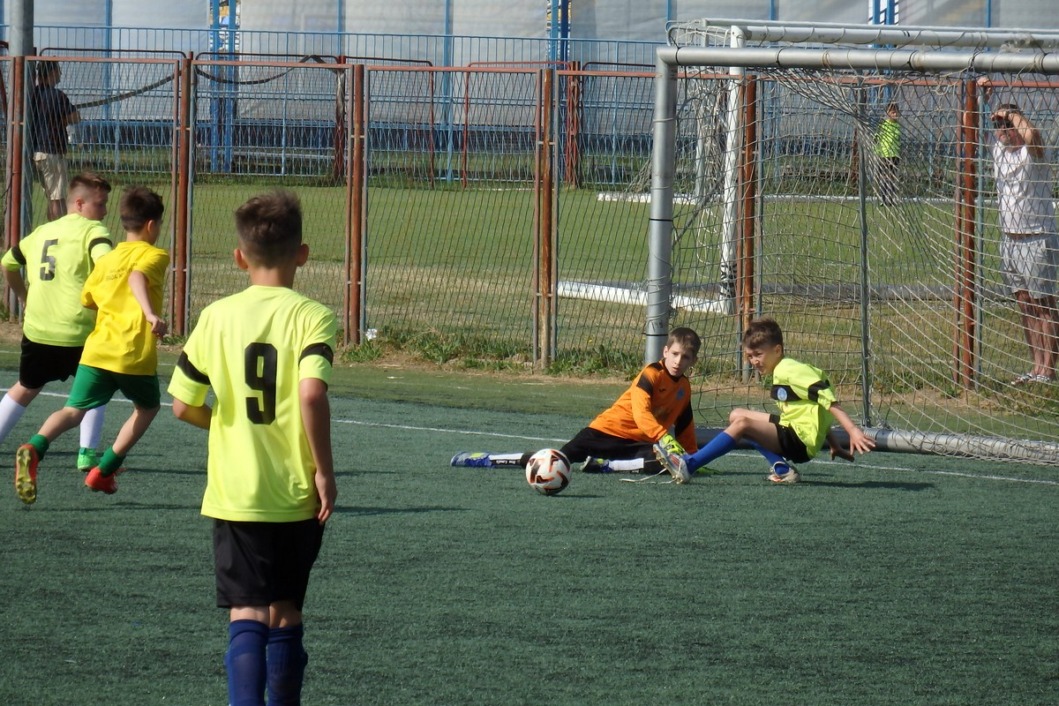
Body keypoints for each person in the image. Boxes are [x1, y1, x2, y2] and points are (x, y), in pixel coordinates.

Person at [167, 190, 337, 706]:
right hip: (295, 492)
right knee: (286, 611)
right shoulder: (313, 315)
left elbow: (182, 405)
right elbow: (311, 393)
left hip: (235, 492)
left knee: (246, 612)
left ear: (239, 258)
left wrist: (225, 421)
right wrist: (324, 472)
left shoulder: (216, 316)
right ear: (302, 254)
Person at [13, 186, 169, 504]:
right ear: (152, 225)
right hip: (131, 354)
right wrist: (150, 313)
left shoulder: (107, 260)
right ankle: (104, 471)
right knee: (147, 408)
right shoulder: (155, 255)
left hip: (96, 352)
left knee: (73, 410)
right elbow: (136, 278)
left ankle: (34, 447)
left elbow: (89, 298)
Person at [451, 327, 702, 483]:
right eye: (675, 354)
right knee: (555, 460)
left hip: (638, 443)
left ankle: (605, 466)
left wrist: (693, 458)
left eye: (686, 357)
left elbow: (685, 426)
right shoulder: (651, 374)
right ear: (665, 351)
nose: (678, 361)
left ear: (693, 361)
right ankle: (490, 459)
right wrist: (662, 436)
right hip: (604, 433)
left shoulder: (685, 388)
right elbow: (640, 412)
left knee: (667, 463)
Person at [655, 318, 873, 484]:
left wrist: (852, 430)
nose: (754, 361)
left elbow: (828, 400)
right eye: (750, 356)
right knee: (737, 415)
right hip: (794, 429)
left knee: (743, 425)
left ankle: (689, 465)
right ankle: (782, 469)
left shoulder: (790, 370)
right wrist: (834, 444)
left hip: (799, 441)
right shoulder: (784, 369)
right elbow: (815, 408)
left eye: (758, 354)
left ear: (777, 350)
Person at [1, 172, 113, 485]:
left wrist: (23, 298)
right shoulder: (94, 230)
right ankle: (86, 455)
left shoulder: (43, 231)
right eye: (100, 204)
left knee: (25, 387)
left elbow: (8, 263)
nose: (105, 211)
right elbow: (107, 265)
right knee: (97, 389)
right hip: (79, 332)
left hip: (38, 329)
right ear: (79, 203)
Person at [978, 77, 1059, 385]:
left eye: (1006, 124)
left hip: (1037, 238)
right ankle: (1035, 367)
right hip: (1010, 241)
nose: (1001, 130)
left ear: (1016, 123)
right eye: (997, 125)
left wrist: (1011, 114)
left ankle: (1048, 370)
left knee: (1044, 305)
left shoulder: (1033, 153)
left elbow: (1032, 134)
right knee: (1025, 305)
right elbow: (977, 122)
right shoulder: (999, 151)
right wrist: (988, 99)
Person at [30, 62, 81, 222]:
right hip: (52, 152)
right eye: (59, 71)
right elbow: (75, 117)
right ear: (52, 72)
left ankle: (51, 229)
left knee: (51, 196)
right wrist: (61, 120)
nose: (61, 74)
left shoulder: (32, 94)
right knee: (57, 199)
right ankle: (58, 231)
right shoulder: (57, 96)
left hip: (34, 151)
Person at [873, 101, 901, 206]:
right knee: (884, 177)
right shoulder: (883, 125)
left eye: (896, 112)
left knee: (892, 177)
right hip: (884, 155)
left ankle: (891, 198)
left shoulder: (898, 126)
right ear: (888, 113)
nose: (895, 114)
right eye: (893, 112)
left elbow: (898, 140)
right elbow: (876, 138)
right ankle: (883, 198)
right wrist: (877, 151)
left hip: (895, 155)